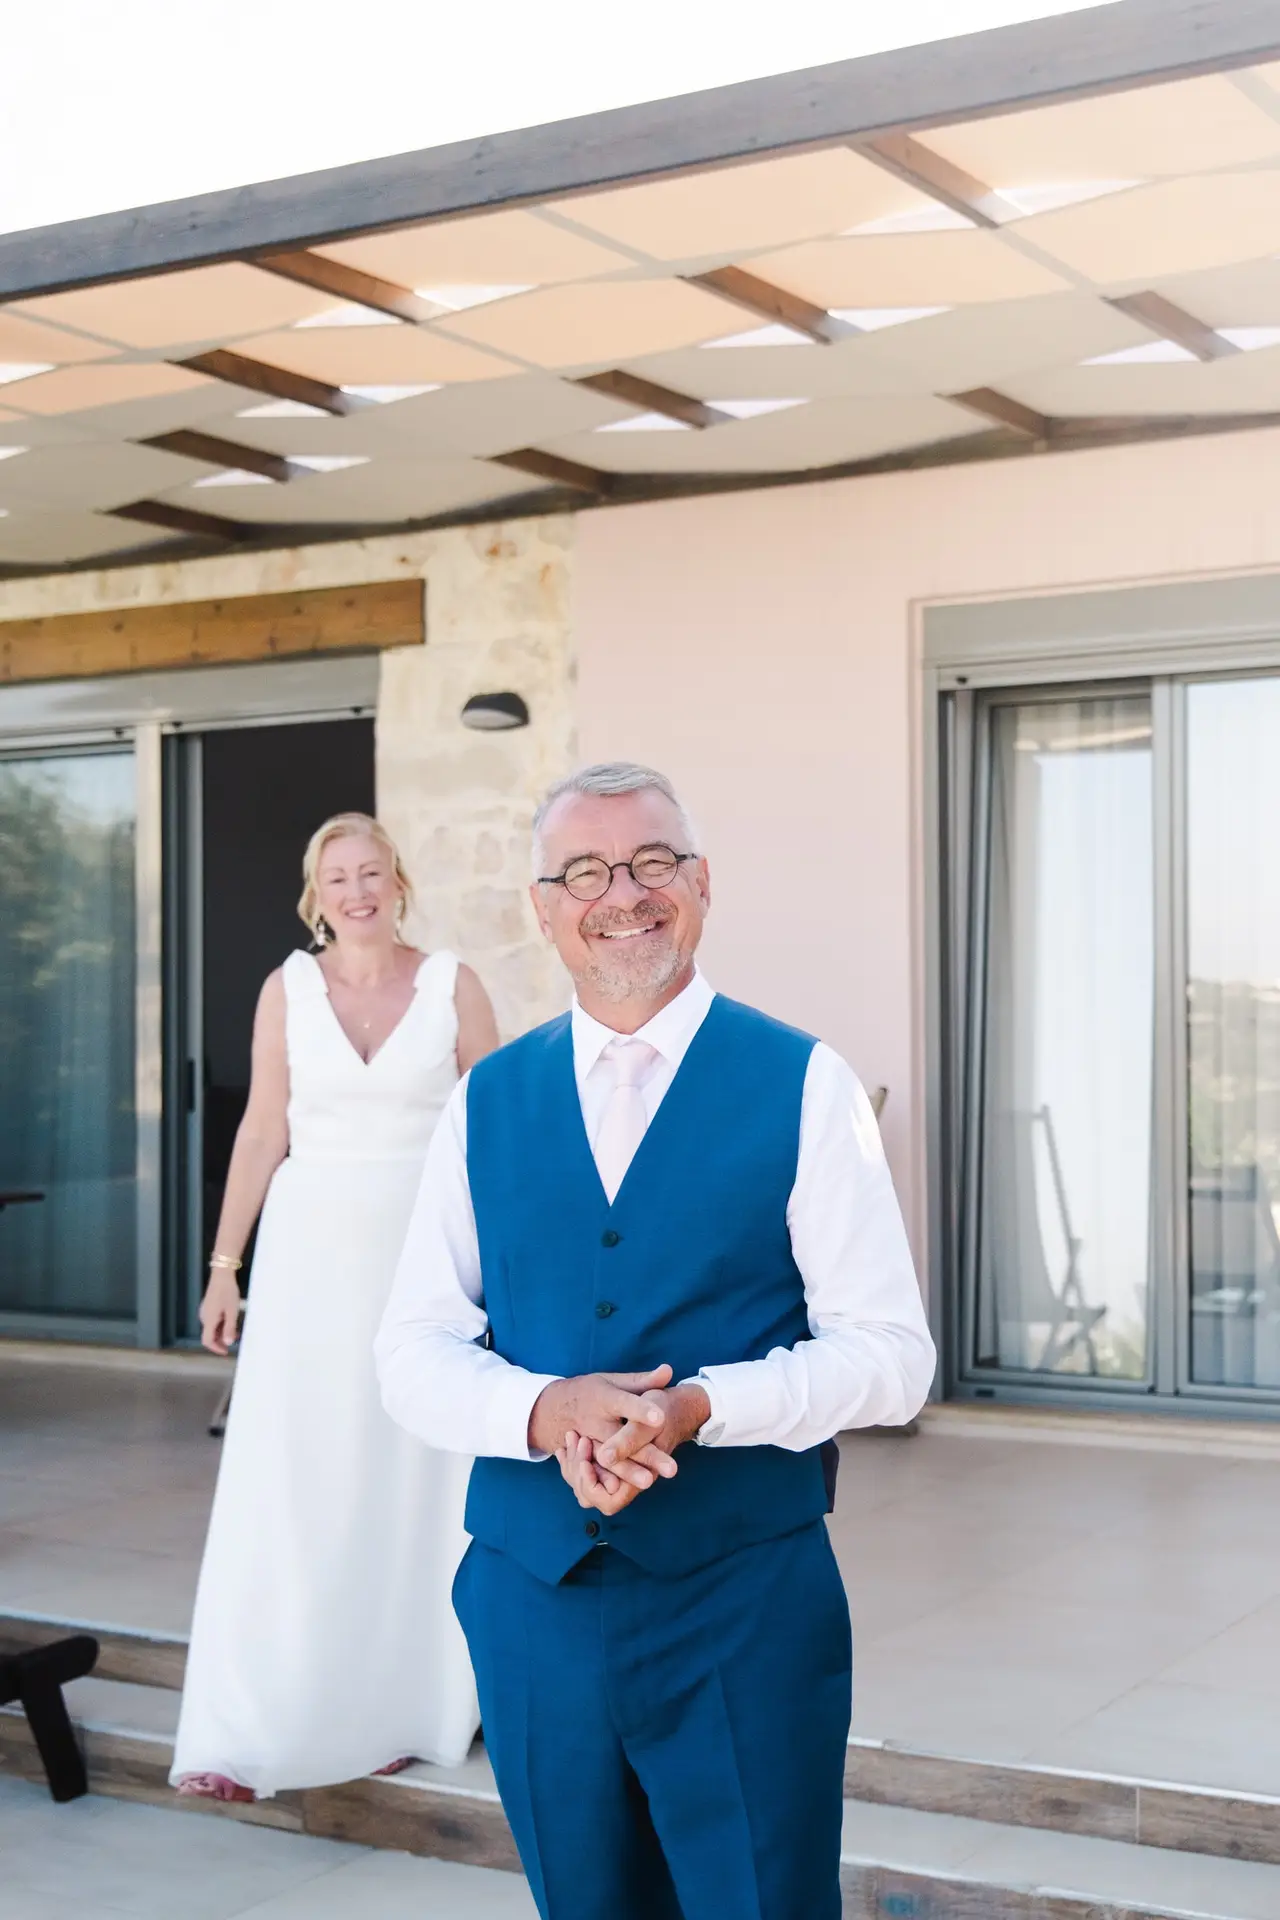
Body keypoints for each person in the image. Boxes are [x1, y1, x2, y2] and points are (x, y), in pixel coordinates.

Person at [375, 763, 936, 1920]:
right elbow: (412, 1349)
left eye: (650, 863)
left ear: (702, 884)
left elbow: (891, 1356)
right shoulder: (485, 1101)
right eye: (583, 872)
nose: (621, 894)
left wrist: (698, 1409)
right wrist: (546, 1412)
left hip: (743, 1605)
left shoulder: (804, 1082)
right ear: (543, 908)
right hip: (532, 1602)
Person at [172, 811, 499, 1803]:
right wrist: (225, 1265)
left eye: (370, 872)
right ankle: (254, 1716)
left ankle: (406, 1705)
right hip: (308, 1266)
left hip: (424, 1258)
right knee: (297, 1476)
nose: (356, 891)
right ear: (316, 895)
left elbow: (499, 1132)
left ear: (398, 881)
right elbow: (261, 1129)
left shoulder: (453, 984)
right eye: (337, 876)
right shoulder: (288, 988)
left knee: (409, 1475)